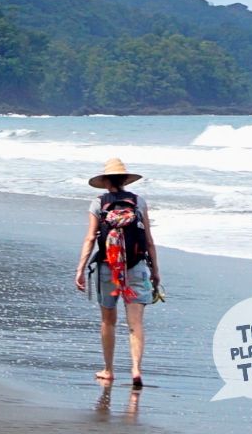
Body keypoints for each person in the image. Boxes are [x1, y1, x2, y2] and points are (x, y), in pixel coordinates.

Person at [75, 158, 161, 388]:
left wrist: (80, 269)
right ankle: (135, 369)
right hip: (136, 266)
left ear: (104, 182)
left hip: (107, 268)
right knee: (136, 323)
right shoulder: (138, 202)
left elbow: (91, 238)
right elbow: (149, 241)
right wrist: (155, 272)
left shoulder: (98, 204)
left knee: (108, 321)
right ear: (125, 180)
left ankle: (109, 370)